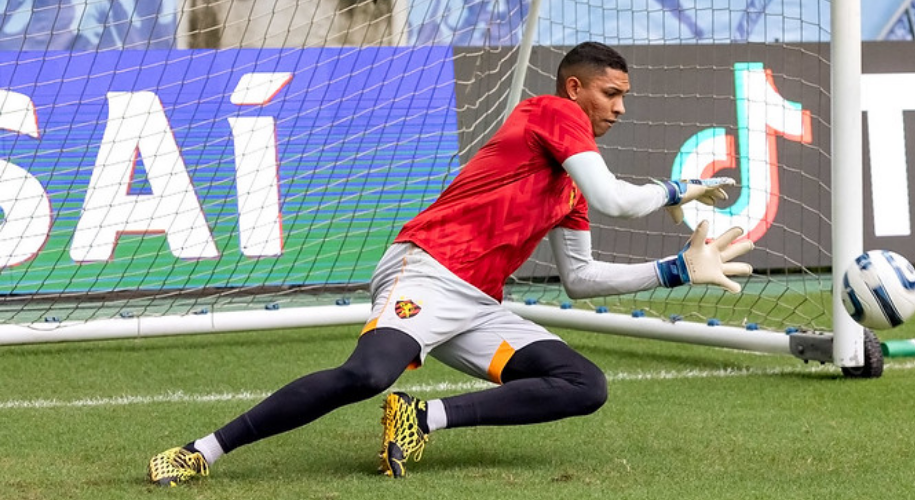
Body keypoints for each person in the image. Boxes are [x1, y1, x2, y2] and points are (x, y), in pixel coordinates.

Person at [147, 41, 754, 486]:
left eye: (624, 97)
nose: (621, 108)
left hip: (475, 301)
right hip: (429, 267)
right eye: (611, 94)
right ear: (576, 89)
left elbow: (581, 279)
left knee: (583, 384)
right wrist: (680, 188)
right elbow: (619, 199)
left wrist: (673, 270)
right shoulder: (551, 111)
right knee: (367, 374)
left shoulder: (570, 188)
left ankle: (422, 417)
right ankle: (201, 451)